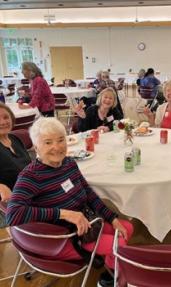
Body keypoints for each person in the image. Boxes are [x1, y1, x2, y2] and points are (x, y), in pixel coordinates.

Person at [6, 117, 134, 287]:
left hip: (85, 225)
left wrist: (112, 218)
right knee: (120, 244)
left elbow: (89, 194)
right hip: (64, 237)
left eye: (61, 140)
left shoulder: (69, 163)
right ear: (36, 147)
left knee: (127, 227)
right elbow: (13, 215)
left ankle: (108, 270)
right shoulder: (31, 176)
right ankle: (113, 277)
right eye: (48, 142)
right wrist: (64, 214)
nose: (57, 147)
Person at [0, 103, 31, 203]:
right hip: (16, 203)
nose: (3, 122)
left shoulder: (15, 139)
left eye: (6, 117)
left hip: (34, 190)